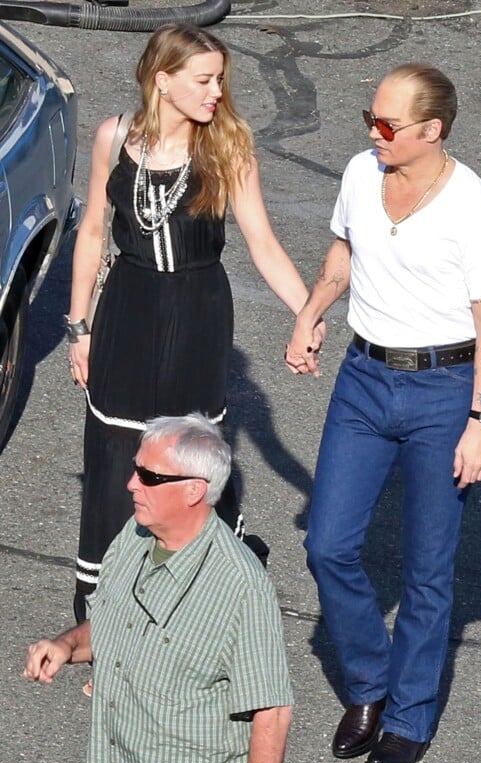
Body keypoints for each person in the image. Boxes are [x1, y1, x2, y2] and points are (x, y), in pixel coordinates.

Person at [285, 64, 481, 763]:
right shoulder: (362, 173)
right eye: (370, 118)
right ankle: (368, 687)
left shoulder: (474, 208)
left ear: (431, 131)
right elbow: (345, 252)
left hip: (442, 391)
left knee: (426, 569)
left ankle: (410, 715)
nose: (372, 132)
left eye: (386, 125)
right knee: (327, 545)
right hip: (362, 379)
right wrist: (309, 314)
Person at [66, 24, 321, 623]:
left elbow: (262, 243)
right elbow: (94, 234)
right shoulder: (114, 136)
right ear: (164, 81)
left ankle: (191, 608)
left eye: (220, 79)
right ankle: (104, 630)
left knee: (186, 458)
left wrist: (306, 313)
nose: (216, 92)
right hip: (127, 311)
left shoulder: (228, 146)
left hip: (198, 313)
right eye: (204, 79)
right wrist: (78, 328)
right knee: (115, 459)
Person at [24, 413, 294, 763]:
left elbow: (273, 713)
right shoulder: (134, 535)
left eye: (149, 476)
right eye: (137, 470)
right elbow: (110, 625)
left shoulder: (240, 586)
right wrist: (66, 645)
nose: (132, 484)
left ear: (194, 490)